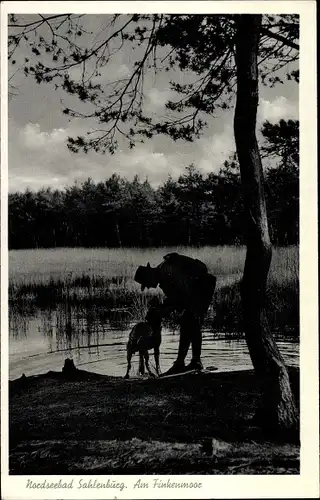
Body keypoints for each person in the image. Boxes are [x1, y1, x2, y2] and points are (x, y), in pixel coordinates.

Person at [134, 252, 217, 376]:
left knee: (192, 319)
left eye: (146, 284)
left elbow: (184, 295)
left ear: (149, 274)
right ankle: (186, 362)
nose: (149, 287)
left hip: (202, 286)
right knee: (189, 321)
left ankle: (190, 362)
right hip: (197, 288)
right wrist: (162, 309)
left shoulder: (166, 270)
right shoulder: (163, 276)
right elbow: (176, 298)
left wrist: (163, 311)